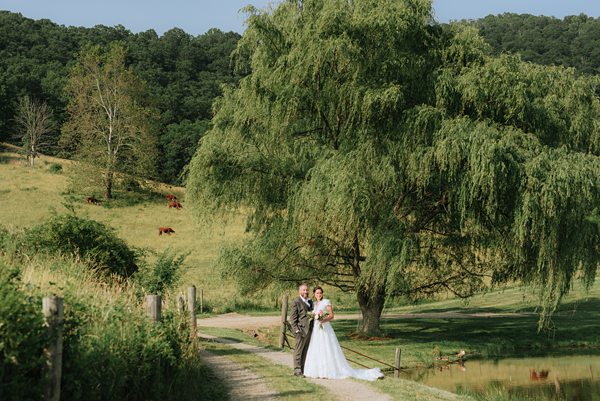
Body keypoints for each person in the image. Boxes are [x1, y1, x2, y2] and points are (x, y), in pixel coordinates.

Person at [303, 286, 384, 381]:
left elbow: (331, 315)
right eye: (317, 293)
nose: (319, 294)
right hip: (316, 328)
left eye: (320, 293)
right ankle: (317, 371)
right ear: (314, 294)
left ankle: (328, 371)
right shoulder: (315, 303)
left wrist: (323, 320)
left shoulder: (326, 302)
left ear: (322, 293)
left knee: (326, 347)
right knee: (317, 347)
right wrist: (314, 317)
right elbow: (313, 314)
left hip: (324, 326)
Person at [289, 282, 314, 376]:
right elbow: (292, 318)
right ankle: (297, 370)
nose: (306, 291)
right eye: (304, 290)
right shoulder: (296, 301)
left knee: (305, 350)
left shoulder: (310, 302)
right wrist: (296, 330)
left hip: (309, 330)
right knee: (298, 351)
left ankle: (303, 369)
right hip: (300, 330)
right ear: (300, 291)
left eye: (307, 290)